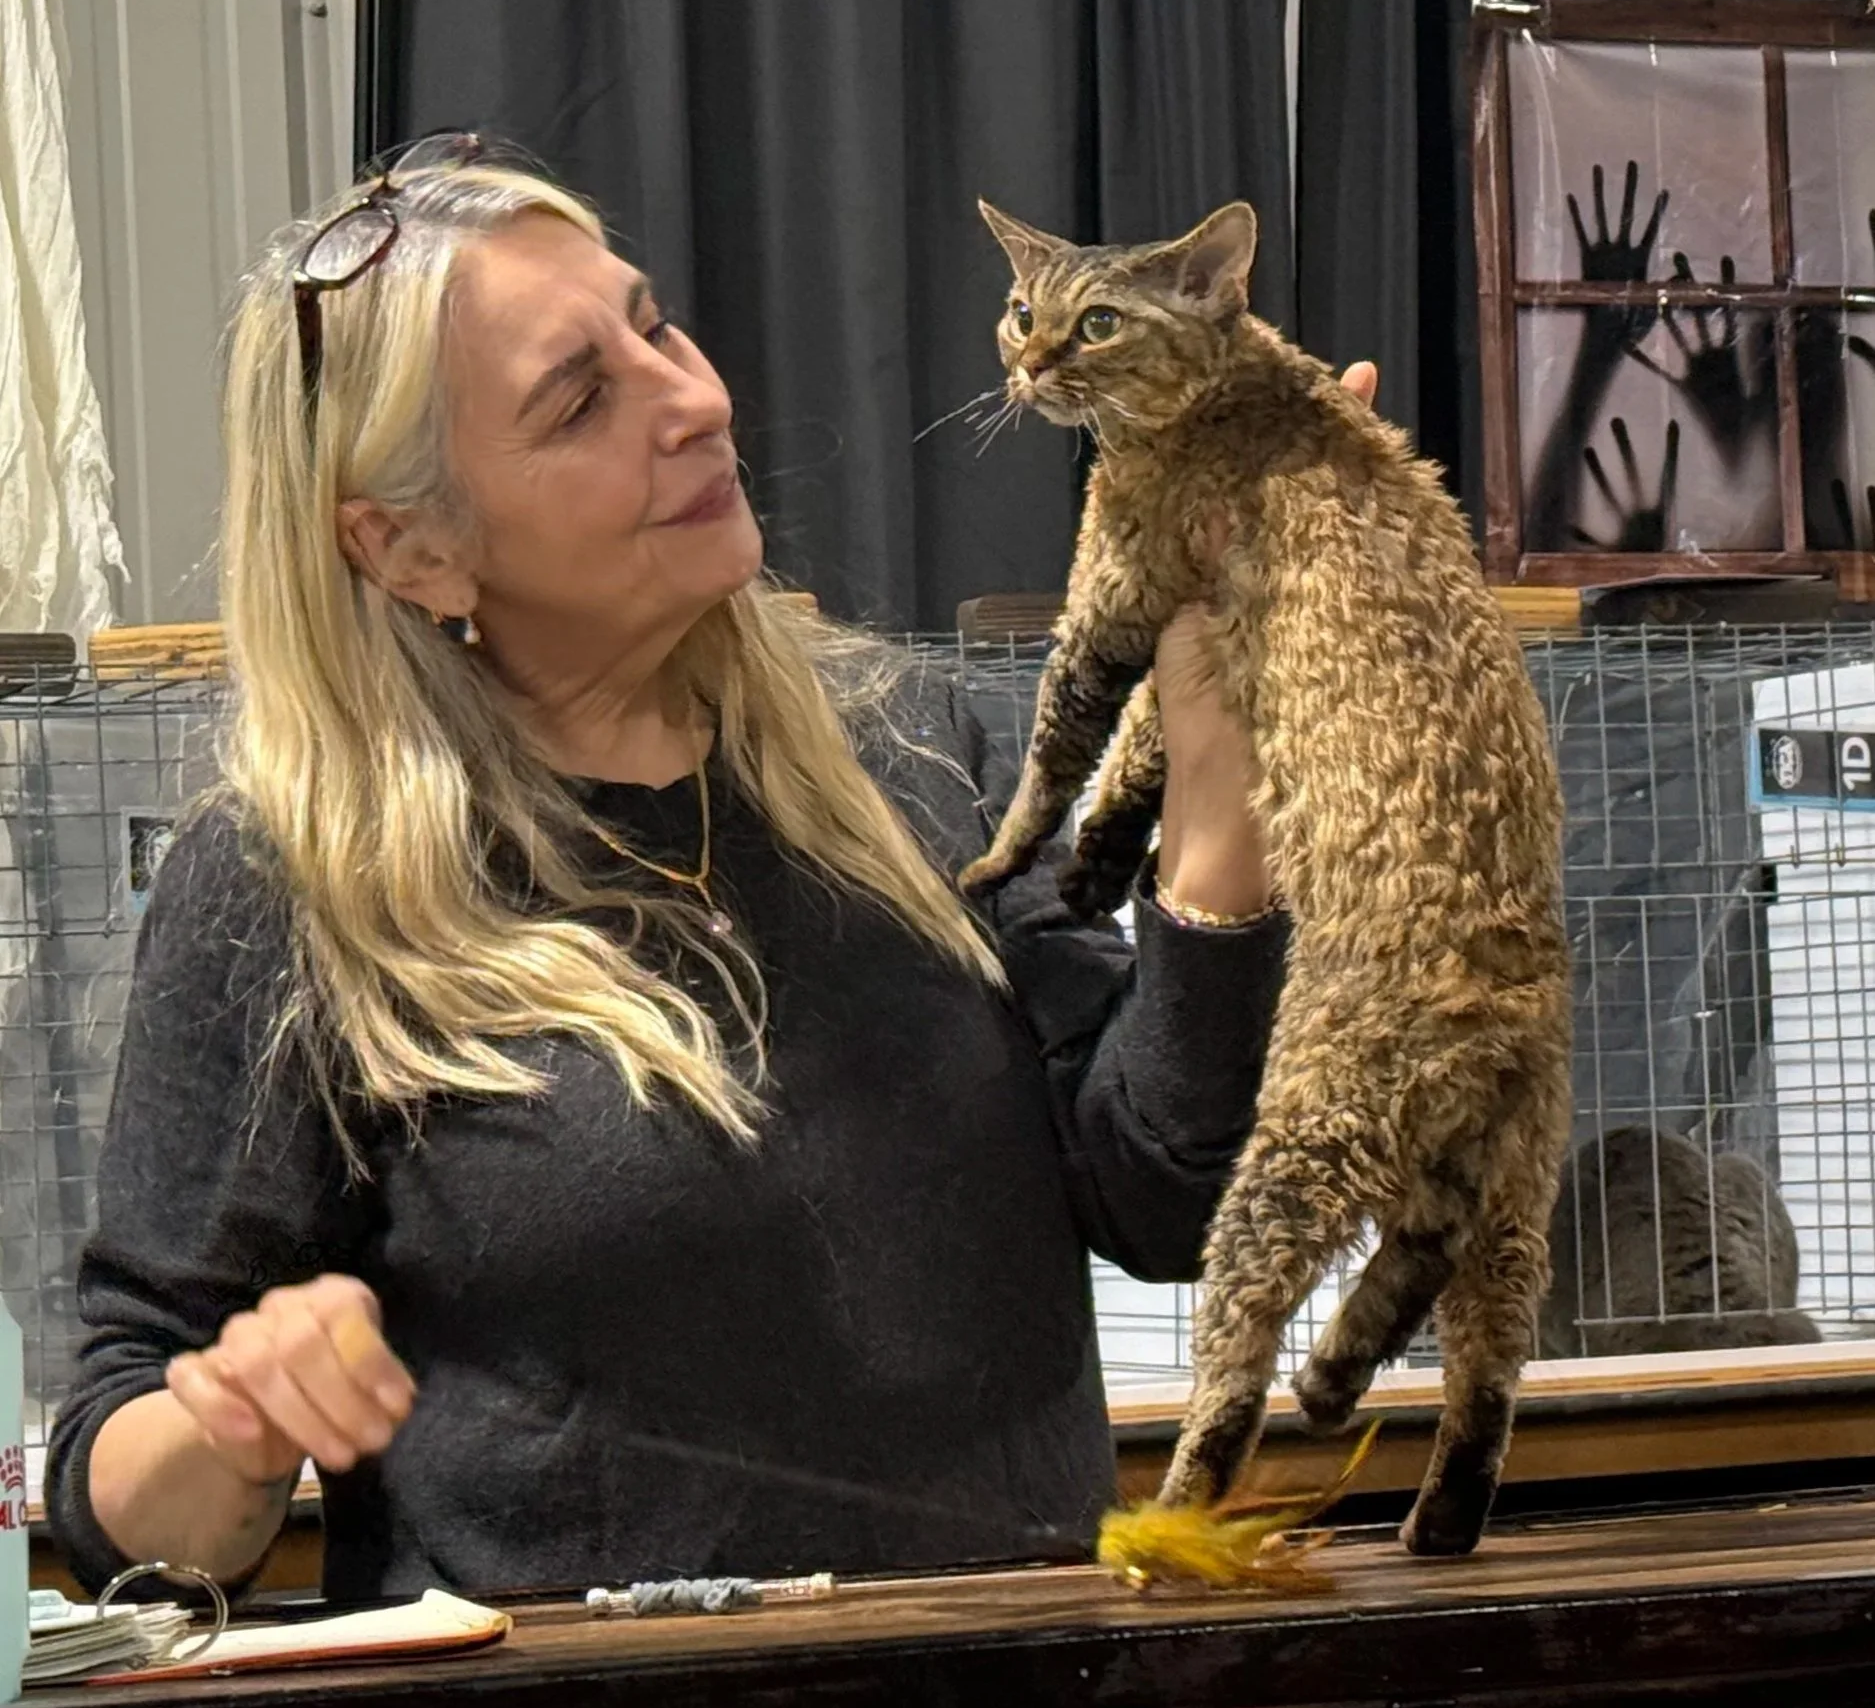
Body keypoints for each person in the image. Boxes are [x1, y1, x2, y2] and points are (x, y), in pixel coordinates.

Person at [46, 139, 1379, 1603]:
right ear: (412, 548)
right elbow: (125, 1495)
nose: (694, 402)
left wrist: (1219, 787)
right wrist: (233, 1419)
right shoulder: (295, 879)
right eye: (579, 401)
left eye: (657, 327)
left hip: (1016, 1691)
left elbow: (1170, 1199)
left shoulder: (911, 753)